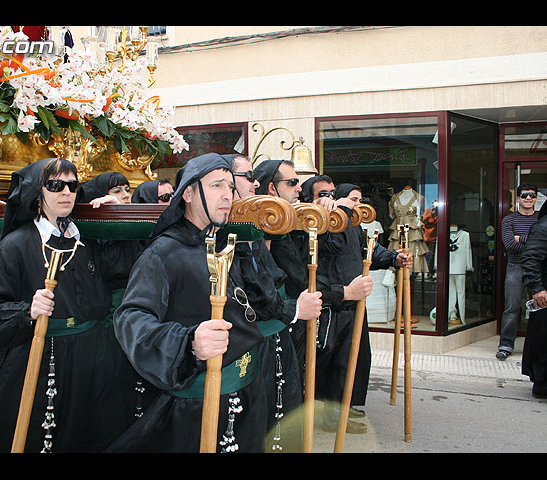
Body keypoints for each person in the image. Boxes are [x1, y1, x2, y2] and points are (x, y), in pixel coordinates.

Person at [107, 153, 318, 453]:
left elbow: (258, 303)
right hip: (197, 409)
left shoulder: (226, 243)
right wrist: (188, 342)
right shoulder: (163, 252)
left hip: (248, 394)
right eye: (217, 185)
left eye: (230, 187)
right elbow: (131, 319)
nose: (227, 195)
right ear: (188, 193)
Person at [0, 158, 139, 453]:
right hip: (43, 357)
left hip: (94, 358)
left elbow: (124, 270)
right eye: (55, 185)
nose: (66, 193)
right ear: (38, 192)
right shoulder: (16, 245)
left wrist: (115, 215)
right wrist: (27, 310)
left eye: (73, 186)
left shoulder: (87, 241)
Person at [230, 154, 321, 452]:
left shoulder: (261, 226)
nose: (299, 189)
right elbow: (255, 292)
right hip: (250, 341)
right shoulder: (234, 228)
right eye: (292, 182)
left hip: (278, 330)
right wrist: (295, 310)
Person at [315, 183, 412, 434]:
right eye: (353, 200)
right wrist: (343, 212)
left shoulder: (355, 227)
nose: (358, 205)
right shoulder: (331, 223)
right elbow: (331, 246)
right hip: (334, 305)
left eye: (360, 200)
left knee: (353, 361)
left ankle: (344, 406)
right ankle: (331, 415)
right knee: (333, 363)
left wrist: (394, 258)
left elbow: (369, 252)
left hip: (354, 305)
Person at [498, 182, 539, 360]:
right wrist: (533, 242)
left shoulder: (542, 219)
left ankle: (538, 348)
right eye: (524, 195)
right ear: (518, 198)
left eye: (531, 195)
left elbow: (543, 244)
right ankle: (506, 345)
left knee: (540, 308)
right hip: (515, 267)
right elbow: (510, 245)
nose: (528, 198)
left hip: (537, 268)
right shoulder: (509, 220)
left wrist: (521, 238)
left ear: (536, 198)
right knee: (512, 308)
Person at [521, 200, 547, 398]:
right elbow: (530, 258)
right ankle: (542, 385)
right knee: (543, 342)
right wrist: (537, 288)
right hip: (544, 293)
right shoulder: (543, 227)